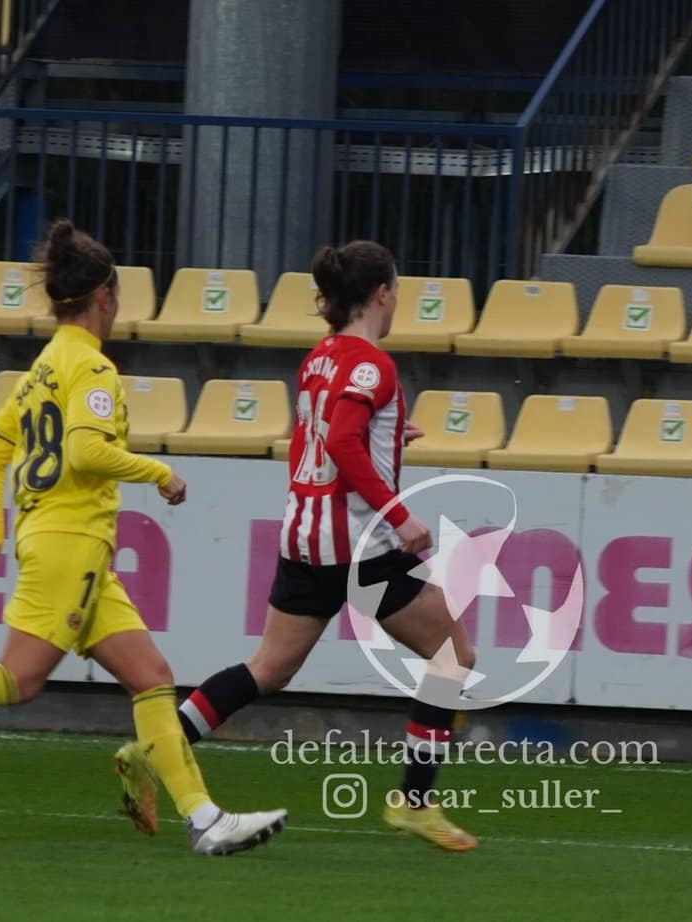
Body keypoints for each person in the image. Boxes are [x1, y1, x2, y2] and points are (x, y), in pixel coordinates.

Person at [0, 221, 286, 857]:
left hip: (66, 542)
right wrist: (160, 474)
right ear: (105, 296)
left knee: (152, 677)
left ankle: (204, 820)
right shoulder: (91, 366)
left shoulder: (42, 368)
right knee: (19, 679)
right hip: (70, 540)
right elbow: (88, 451)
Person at [174, 240, 480, 852]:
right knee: (452, 656)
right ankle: (414, 802)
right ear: (382, 294)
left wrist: (387, 439)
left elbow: (328, 435)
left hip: (304, 536)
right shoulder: (374, 364)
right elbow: (341, 442)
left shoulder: (320, 358)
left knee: (268, 668)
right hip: (361, 545)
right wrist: (400, 515)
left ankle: (160, 744)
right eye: (396, 291)